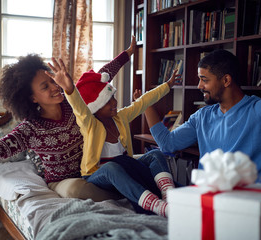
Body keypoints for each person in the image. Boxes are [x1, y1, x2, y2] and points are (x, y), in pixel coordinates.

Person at [0, 39, 136, 202]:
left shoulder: (75, 103)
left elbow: (101, 77)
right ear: (32, 97)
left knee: (132, 162)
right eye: (45, 86)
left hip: (94, 171)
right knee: (75, 191)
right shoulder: (29, 130)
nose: (55, 86)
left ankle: (134, 189)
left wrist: (128, 53)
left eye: (53, 80)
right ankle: (127, 196)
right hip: (64, 182)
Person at [46, 47, 182, 217]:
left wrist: (167, 86)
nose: (115, 102)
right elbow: (79, 108)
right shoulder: (90, 123)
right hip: (97, 175)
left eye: (113, 98)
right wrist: (69, 88)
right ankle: (155, 205)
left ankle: (169, 196)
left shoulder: (121, 117)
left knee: (156, 154)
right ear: (95, 108)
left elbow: (143, 102)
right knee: (112, 167)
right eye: (108, 101)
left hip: (124, 167)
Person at [144, 49, 261, 183]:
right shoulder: (202, 116)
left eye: (204, 80)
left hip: (245, 203)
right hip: (206, 198)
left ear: (226, 80)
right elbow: (167, 143)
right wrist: (145, 104)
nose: (199, 86)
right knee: (144, 160)